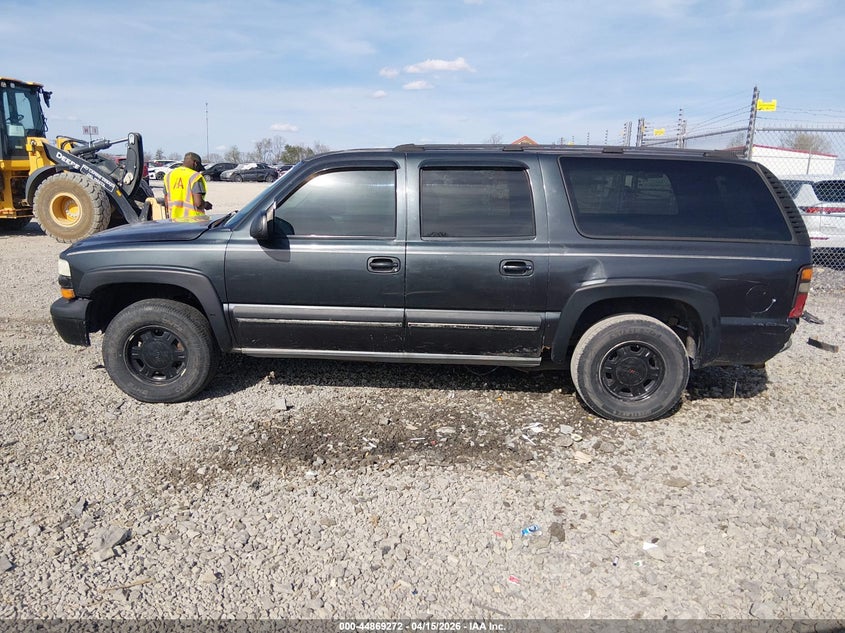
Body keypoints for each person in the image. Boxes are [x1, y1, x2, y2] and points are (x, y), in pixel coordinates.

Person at [162, 152, 213, 221]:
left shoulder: (169, 175)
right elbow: (198, 203)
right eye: (198, 168)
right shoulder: (195, 176)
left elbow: (166, 201)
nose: (198, 170)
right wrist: (206, 205)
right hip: (194, 221)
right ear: (195, 163)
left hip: (174, 220)